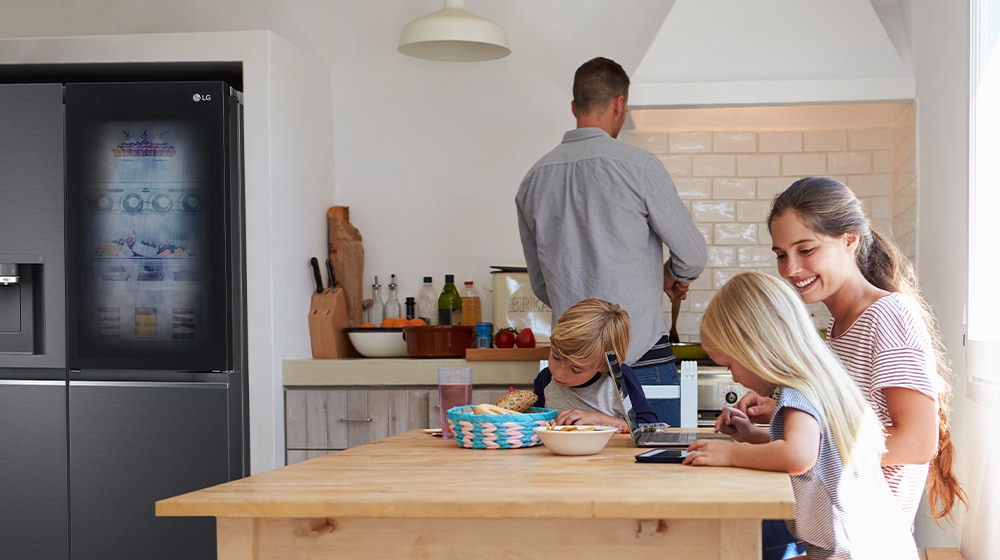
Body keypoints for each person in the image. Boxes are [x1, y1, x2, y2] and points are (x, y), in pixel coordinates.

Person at [735, 176, 967, 527]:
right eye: (782, 255)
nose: (790, 269)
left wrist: (806, 446)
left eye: (806, 250)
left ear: (849, 240)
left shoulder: (888, 316)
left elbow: (916, 442)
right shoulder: (840, 327)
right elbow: (852, 427)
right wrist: (779, 423)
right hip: (834, 533)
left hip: (865, 540)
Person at [516, 56, 706, 428]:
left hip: (569, 372)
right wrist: (668, 274)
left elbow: (542, 286)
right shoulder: (639, 166)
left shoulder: (533, 180)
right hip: (641, 361)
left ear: (574, 107)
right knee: (653, 470)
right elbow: (693, 257)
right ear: (620, 104)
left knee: (565, 476)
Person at [685, 272, 919, 560]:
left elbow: (798, 456)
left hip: (851, 552)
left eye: (730, 363)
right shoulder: (819, 380)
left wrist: (731, 454)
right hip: (872, 546)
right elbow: (819, 447)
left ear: (756, 349)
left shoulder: (798, 391)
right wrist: (752, 435)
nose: (732, 374)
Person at [531, 298, 656, 428]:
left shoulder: (618, 379)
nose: (559, 374)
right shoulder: (545, 380)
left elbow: (649, 427)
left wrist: (599, 418)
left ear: (603, 366)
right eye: (556, 357)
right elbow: (532, 424)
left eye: (576, 369)